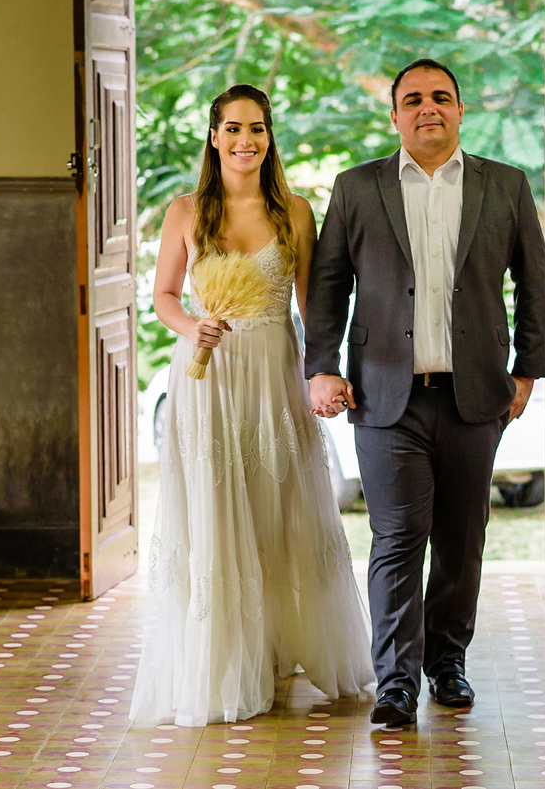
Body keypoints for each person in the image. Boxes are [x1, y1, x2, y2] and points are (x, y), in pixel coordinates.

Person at [304, 58, 545, 726]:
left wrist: (527, 368)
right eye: (412, 99)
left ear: (461, 110)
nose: (428, 108)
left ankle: (447, 662)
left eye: (441, 97)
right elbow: (329, 283)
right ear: (395, 117)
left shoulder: (505, 186)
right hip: (386, 398)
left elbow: (535, 281)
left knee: (462, 536)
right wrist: (320, 365)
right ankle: (395, 680)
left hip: (475, 396)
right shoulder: (358, 188)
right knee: (395, 537)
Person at [129, 84, 374, 728]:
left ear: (270, 136)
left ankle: (275, 647)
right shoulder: (186, 211)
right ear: (213, 137)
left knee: (277, 507)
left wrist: (323, 371)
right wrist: (191, 329)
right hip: (206, 377)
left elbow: (314, 305)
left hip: (271, 373)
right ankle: (219, 657)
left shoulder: (293, 210)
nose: (246, 140)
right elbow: (164, 295)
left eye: (257, 128)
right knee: (213, 511)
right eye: (233, 128)